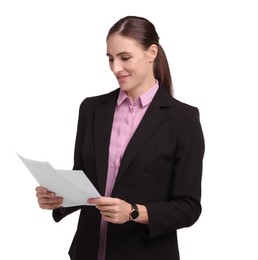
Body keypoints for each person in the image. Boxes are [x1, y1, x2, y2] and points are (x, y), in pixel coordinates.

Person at [36, 15, 205, 260]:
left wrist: (133, 212)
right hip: (88, 251)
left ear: (151, 52)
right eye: (111, 59)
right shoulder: (92, 109)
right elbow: (85, 180)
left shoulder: (183, 119)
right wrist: (60, 199)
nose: (116, 68)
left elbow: (188, 207)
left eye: (125, 58)